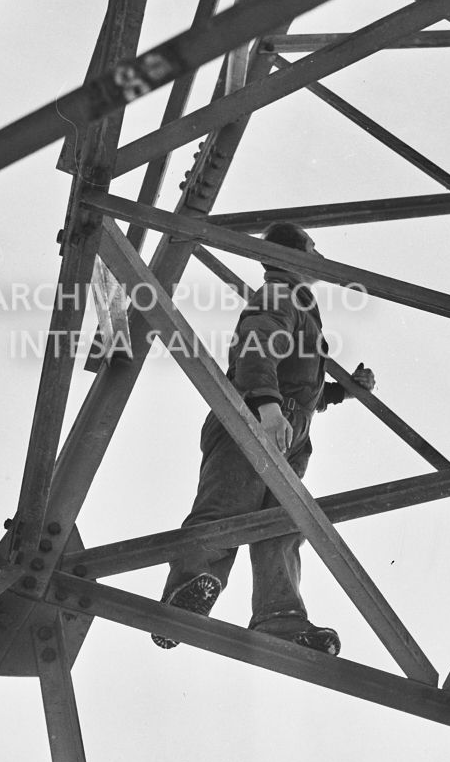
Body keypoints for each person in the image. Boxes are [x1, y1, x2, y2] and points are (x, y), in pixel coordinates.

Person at [151, 222, 375, 656]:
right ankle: (185, 594)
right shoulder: (279, 295)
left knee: (283, 526)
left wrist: (342, 390)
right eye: (312, 248)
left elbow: (298, 383)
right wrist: (268, 409)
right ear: (290, 255)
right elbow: (256, 348)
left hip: (286, 429)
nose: (320, 257)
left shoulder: (302, 308)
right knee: (226, 509)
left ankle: (280, 618)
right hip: (251, 418)